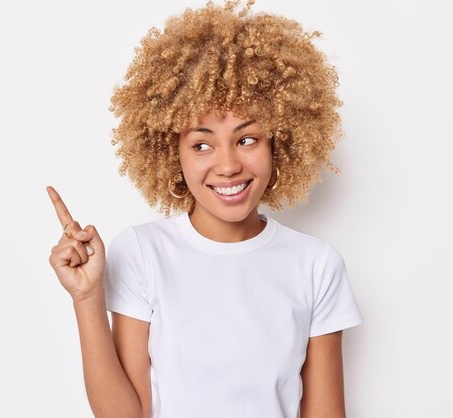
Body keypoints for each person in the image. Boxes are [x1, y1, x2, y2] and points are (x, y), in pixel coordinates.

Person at [47, 0, 364, 417]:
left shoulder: (315, 265)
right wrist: (87, 299)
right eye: (201, 144)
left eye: (247, 139)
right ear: (169, 151)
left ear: (280, 142)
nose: (229, 164)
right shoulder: (143, 252)